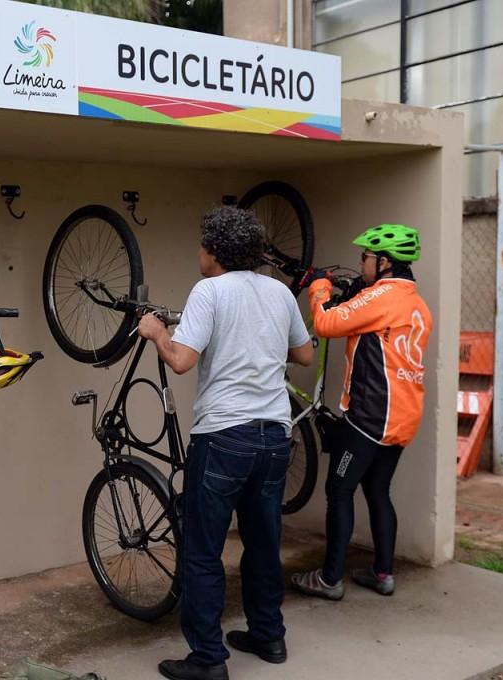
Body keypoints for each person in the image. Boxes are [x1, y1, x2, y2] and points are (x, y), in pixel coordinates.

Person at [139, 206, 314, 680]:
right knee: (263, 541)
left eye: (202, 245)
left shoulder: (209, 291)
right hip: (275, 435)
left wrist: (157, 333)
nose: (199, 253)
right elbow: (304, 352)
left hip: (223, 438)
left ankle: (208, 660)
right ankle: (268, 636)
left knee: (202, 550)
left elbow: (180, 361)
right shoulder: (278, 292)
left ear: (215, 251)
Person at [291, 225, 432, 601]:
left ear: (384, 262)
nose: (361, 262)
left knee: (339, 489)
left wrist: (319, 289)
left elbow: (326, 323)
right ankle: (383, 573)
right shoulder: (415, 302)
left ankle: (329, 579)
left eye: (365, 257)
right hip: (403, 415)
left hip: (370, 417)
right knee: (377, 489)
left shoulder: (382, 297)